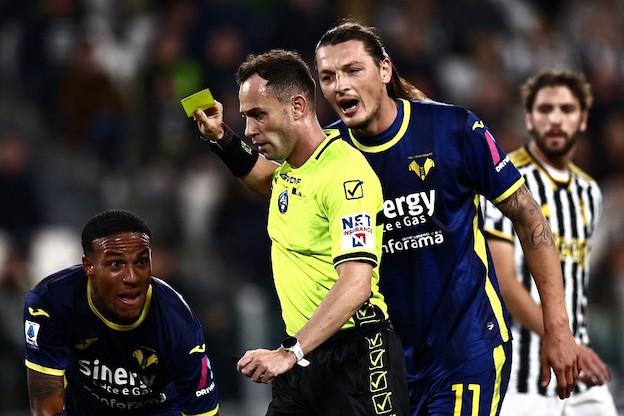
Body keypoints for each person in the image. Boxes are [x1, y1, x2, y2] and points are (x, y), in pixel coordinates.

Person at [311, 20, 581, 415]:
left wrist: (557, 328)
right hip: (381, 364)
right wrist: (225, 140)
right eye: (328, 77)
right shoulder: (326, 155)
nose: (340, 86)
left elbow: (529, 219)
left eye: (353, 70)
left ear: (384, 70)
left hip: (466, 348)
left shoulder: (453, 129)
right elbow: (271, 184)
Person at [193, 49, 409, 415]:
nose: (249, 129)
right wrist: (221, 137)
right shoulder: (294, 169)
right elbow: (270, 182)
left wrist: (290, 353)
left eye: (259, 115)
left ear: (297, 107)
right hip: (304, 357)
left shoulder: (345, 176)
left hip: (358, 359)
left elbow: (356, 284)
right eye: (245, 117)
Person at [482, 70, 618, 415]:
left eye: (567, 109)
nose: (555, 119)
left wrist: (574, 340)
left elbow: (576, 280)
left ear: (583, 120)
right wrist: (559, 336)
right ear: (529, 118)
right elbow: (503, 281)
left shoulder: (589, 191)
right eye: (545, 109)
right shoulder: (504, 180)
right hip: (518, 371)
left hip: (577, 361)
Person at [23, 209, 220, 415]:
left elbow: (203, 412)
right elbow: (46, 405)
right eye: (116, 264)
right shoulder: (50, 302)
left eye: (141, 262)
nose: (132, 277)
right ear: (89, 266)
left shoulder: (178, 322)